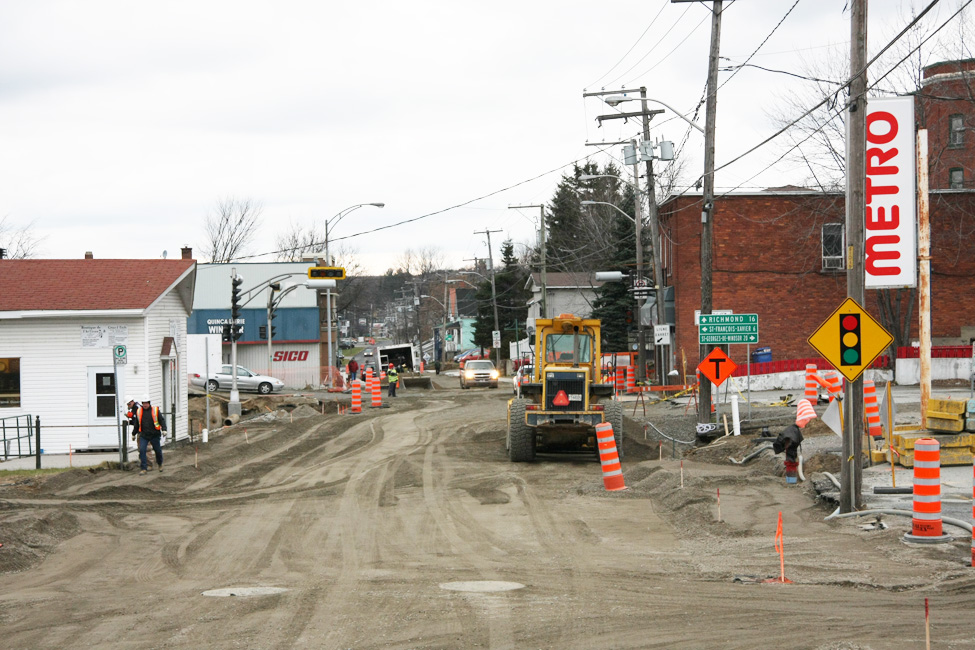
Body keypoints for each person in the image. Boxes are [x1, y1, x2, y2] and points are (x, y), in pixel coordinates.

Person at [774, 399, 816, 484]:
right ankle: (791, 481)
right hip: (790, 456)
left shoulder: (793, 430)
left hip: (790, 454)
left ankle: (791, 480)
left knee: (791, 461)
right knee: (791, 463)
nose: (808, 421)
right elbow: (787, 443)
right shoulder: (792, 431)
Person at [134, 394, 167, 475]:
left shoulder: (155, 410)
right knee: (142, 450)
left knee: (157, 450)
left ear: (149, 403)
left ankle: (160, 464)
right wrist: (133, 433)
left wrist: (164, 429)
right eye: (143, 403)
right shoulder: (139, 411)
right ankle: (143, 468)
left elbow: (161, 420)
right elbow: (137, 424)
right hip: (144, 435)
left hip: (154, 434)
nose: (145, 405)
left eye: (146, 403)